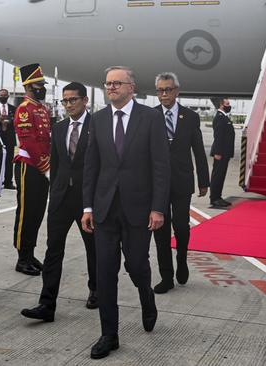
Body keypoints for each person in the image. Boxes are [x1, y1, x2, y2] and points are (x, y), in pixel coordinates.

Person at [81, 66, 170, 359]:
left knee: (136, 266)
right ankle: (109, 335)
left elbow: (160, 167)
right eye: (107, 84)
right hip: (105, 209)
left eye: (117, 83)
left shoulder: (151, 118)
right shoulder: (98, 119)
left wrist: (158, 208)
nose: (111, 88)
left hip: (138, 209)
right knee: (105, 272)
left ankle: (147, 297)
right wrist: (88, 206)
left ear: (132, 86)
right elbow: (91, 166)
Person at [21, 81, 98, 322]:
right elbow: (56, 163)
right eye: (65, 101)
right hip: (61, 198)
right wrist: (54, 192)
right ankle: (47, 305)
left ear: (85, 101)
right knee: (53, 251)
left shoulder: (97, 126)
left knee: (93, 249)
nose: (68, 105)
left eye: (73, 100)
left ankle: (96, 290)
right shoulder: (60, 127)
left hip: (88, 200)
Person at [152, 72, 209, 293]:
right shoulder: (151, 115)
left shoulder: (190, 117)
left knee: (181, 226)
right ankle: (166, 276)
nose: (164, 94)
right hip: (157, 183)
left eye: (167, 89)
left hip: (182, 180)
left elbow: (198, 150)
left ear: (176, 90)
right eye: (160, 90)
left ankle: (182, 261)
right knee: (160, 229)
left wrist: (204, 180)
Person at [12, 63, 51, 276]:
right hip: (29, 166)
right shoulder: (24, 109)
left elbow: (46, 140)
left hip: (42, 168)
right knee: (26, 213)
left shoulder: (42, 109)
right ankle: (22, 256)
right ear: (28, 86)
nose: (42, 88)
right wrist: (45, 166)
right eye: (39, 85)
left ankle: (30, 252)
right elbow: (30, 142)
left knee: (37, 212)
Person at [209, 97, 234, 208]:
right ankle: (214, 198)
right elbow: (218, 136)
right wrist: (218, 152)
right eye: (227, 104)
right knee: (217, 176)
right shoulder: (220, 118)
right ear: (221, 105)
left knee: (221, 175)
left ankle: (218, 197)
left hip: (224, 153)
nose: (229, 105)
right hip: (221, 153)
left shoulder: (224, 117)